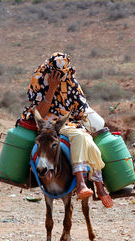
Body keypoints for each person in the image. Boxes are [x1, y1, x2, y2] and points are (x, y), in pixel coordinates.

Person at [21, 52, 113, 208]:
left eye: (61, 74)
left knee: (90, 144)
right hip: (48, 124)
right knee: (78, 135)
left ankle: (98, 187)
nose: (59, 77)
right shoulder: (39, 81)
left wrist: (85, 118)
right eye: (56, 74)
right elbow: (40, 113)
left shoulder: (70, 82)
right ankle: (81, 183)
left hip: (69, 122)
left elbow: (79, 106)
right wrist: (52, 88)